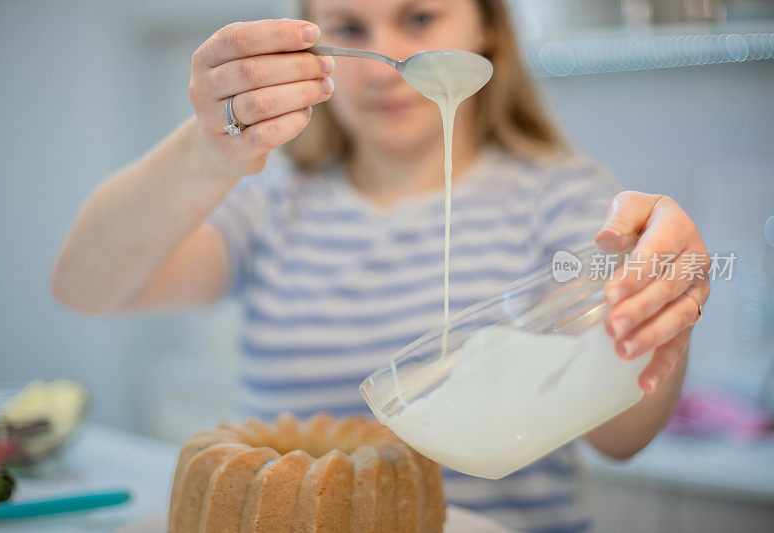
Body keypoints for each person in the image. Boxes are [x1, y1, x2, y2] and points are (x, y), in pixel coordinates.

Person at [51, 0, 710, 530]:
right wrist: (209, 145)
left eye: (419, 18)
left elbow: (620, 436)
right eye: (350, 29)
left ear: (486, 27)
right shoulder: (272, 202)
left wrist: (657, 313)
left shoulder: (559, 199)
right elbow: (85, 286)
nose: (385, 64)